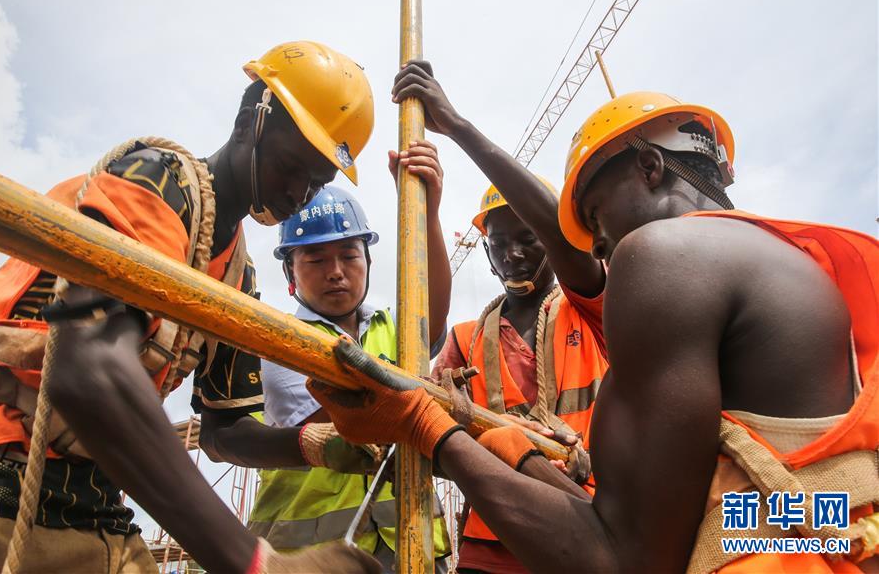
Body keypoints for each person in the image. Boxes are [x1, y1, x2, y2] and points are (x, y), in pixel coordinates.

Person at [308, 69, 879, 573]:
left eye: (596, 214)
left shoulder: (666, 257)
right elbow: (752, 506)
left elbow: (623, 562)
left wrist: (427, 430)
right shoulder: (782, 261)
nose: (597, 243)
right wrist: (519, 453)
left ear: (651, 168)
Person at [0, 41, 380, 574]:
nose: (297, 192)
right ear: (247, 122)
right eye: (291, 166)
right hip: (0, 466)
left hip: (93, 491)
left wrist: (311, 444)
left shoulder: (238, 276)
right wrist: (257, 562)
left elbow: (223, 431)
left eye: (317, 181)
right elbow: (87, 369)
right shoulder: (158, 180)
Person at [406, 64, 606, 572]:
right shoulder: (467, 339)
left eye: (528, 240)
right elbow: (432, 433)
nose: (513, 255)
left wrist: (457, 126)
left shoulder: (589, 310)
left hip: (590, 518)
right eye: (499, 244)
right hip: (494, 534)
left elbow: (570, 246)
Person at [237, 171, 452, 572]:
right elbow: (347, 419)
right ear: (290, 273)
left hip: (411, 544)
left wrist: (430, 212)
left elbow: (432, 319)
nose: (335, 271)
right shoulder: (279, 341)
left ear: (368, 261)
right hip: (311, 556)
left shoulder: (392, 328)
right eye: (315, 259)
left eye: (349, 256)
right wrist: (413, 394)